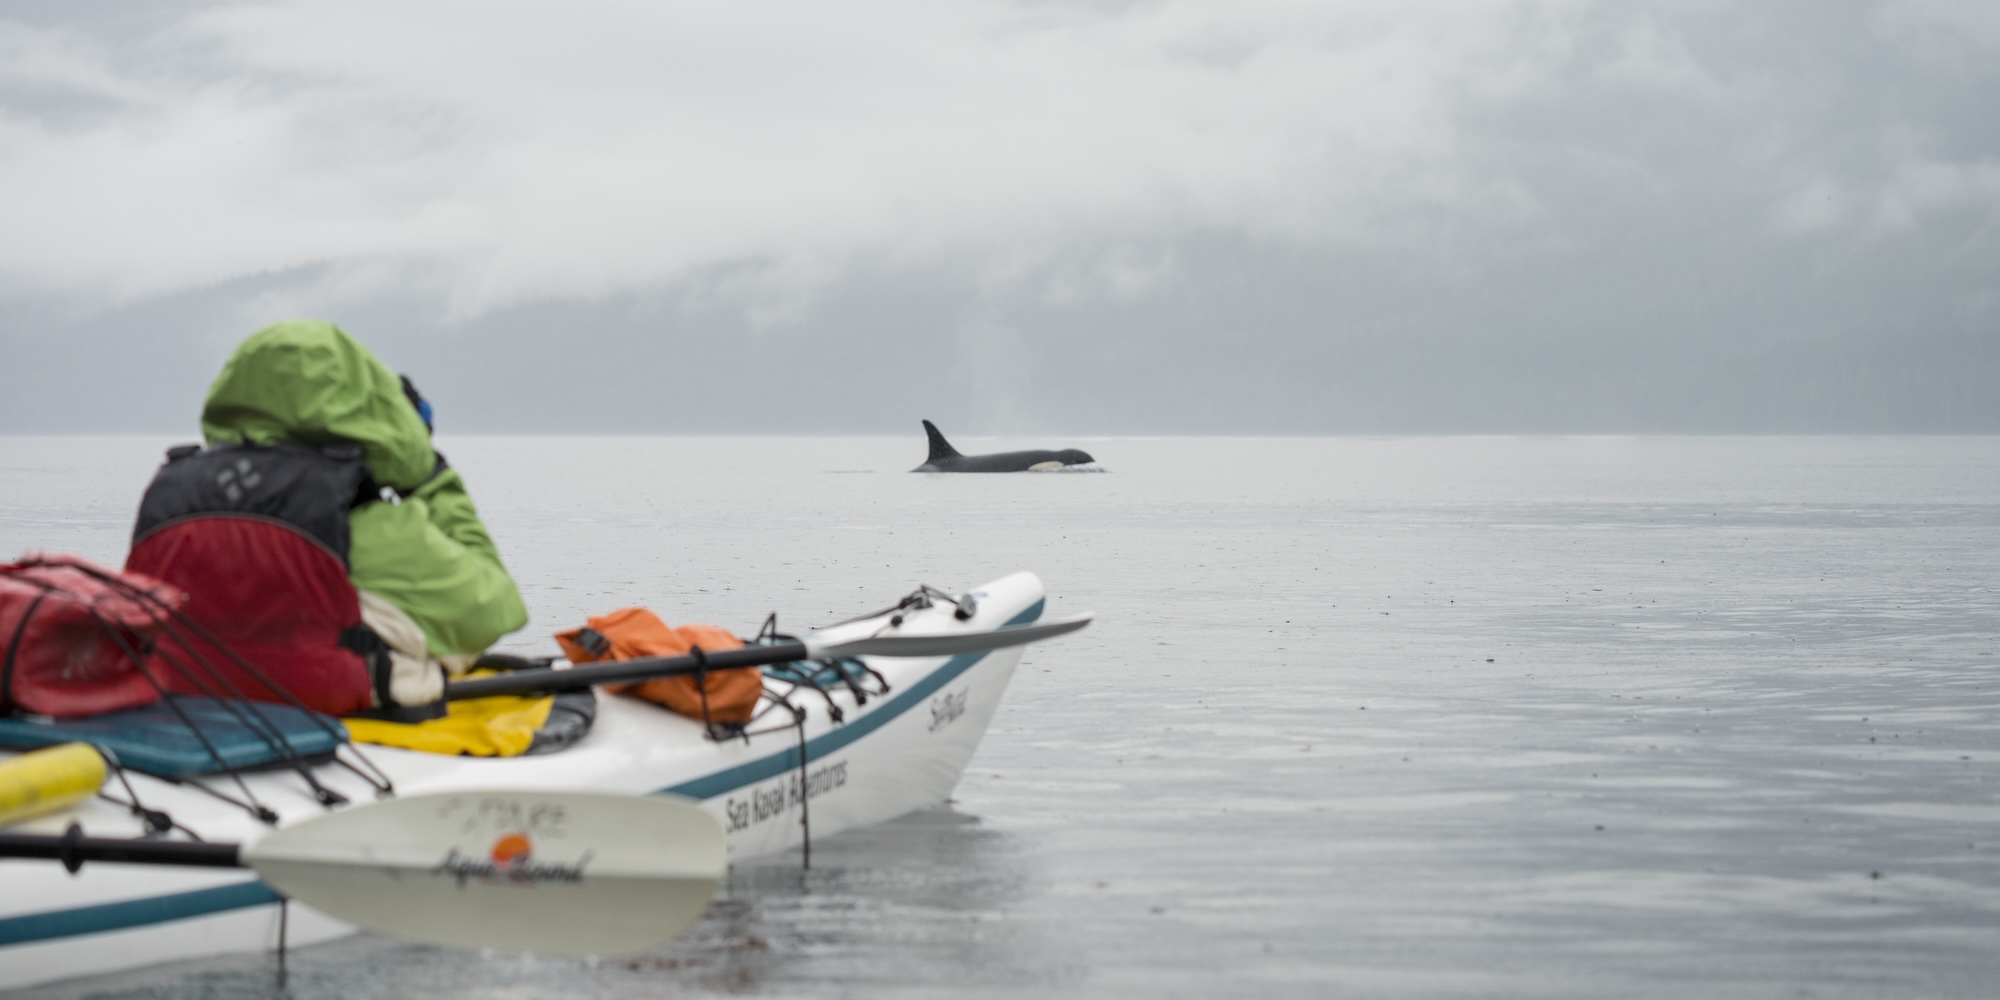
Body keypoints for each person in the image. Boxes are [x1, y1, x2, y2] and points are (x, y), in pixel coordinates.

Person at [129, 320, 526, 715]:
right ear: (377, 414)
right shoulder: (369, 525)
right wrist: (429, 475)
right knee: (447, 634)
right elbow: (497, 611)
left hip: (187, 711)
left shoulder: (171, 497)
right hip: (337, 726)